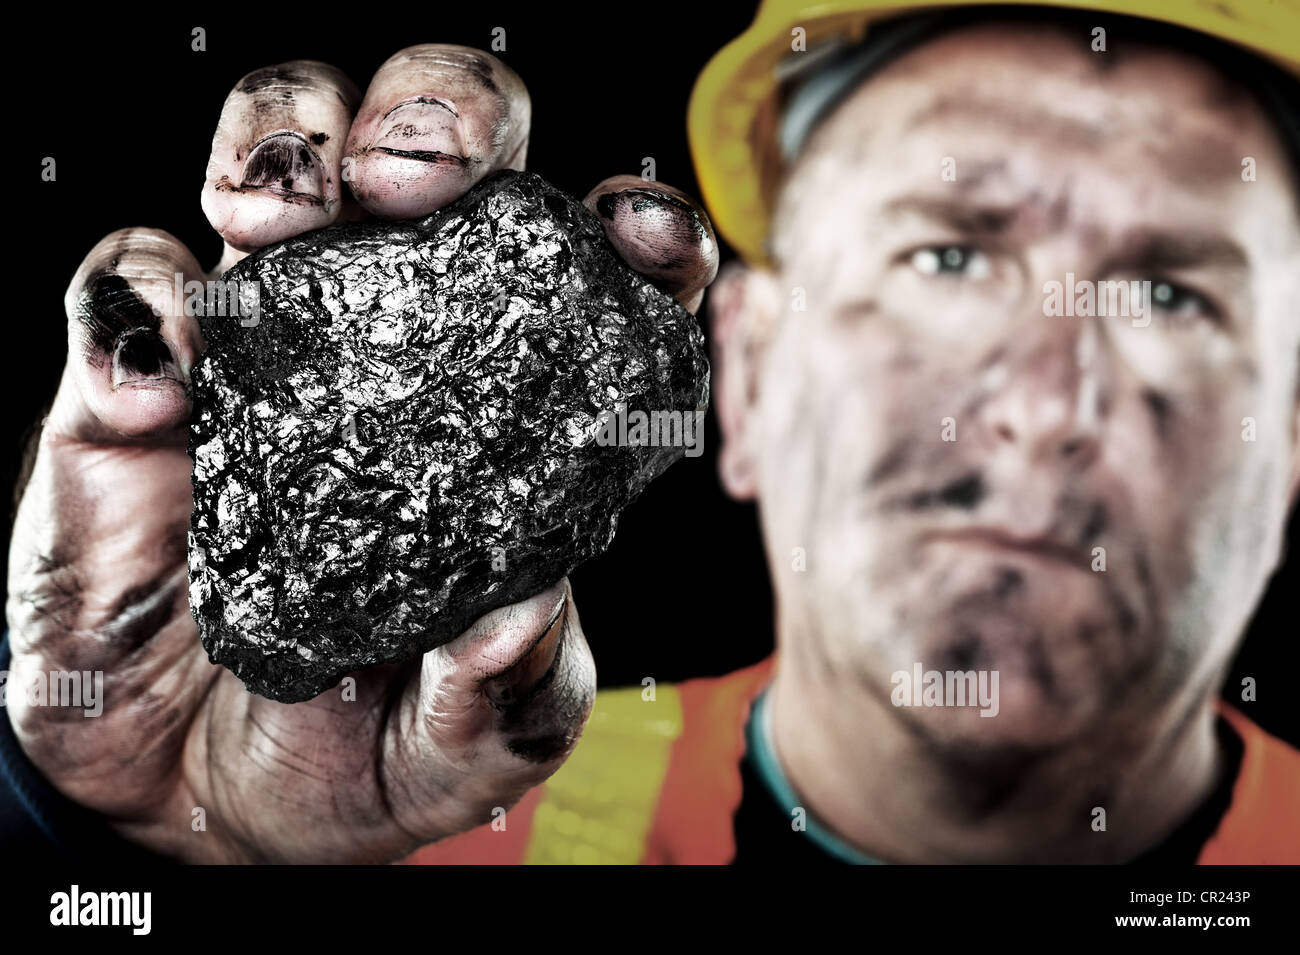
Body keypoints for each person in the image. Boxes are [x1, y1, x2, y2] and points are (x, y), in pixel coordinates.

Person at [6, 1, 1300, 865]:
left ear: (1289, 438)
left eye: (1168, 294)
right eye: (946, 259)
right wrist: (124, 830)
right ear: (743, 380)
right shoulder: (465, 830)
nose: (1037, 402)